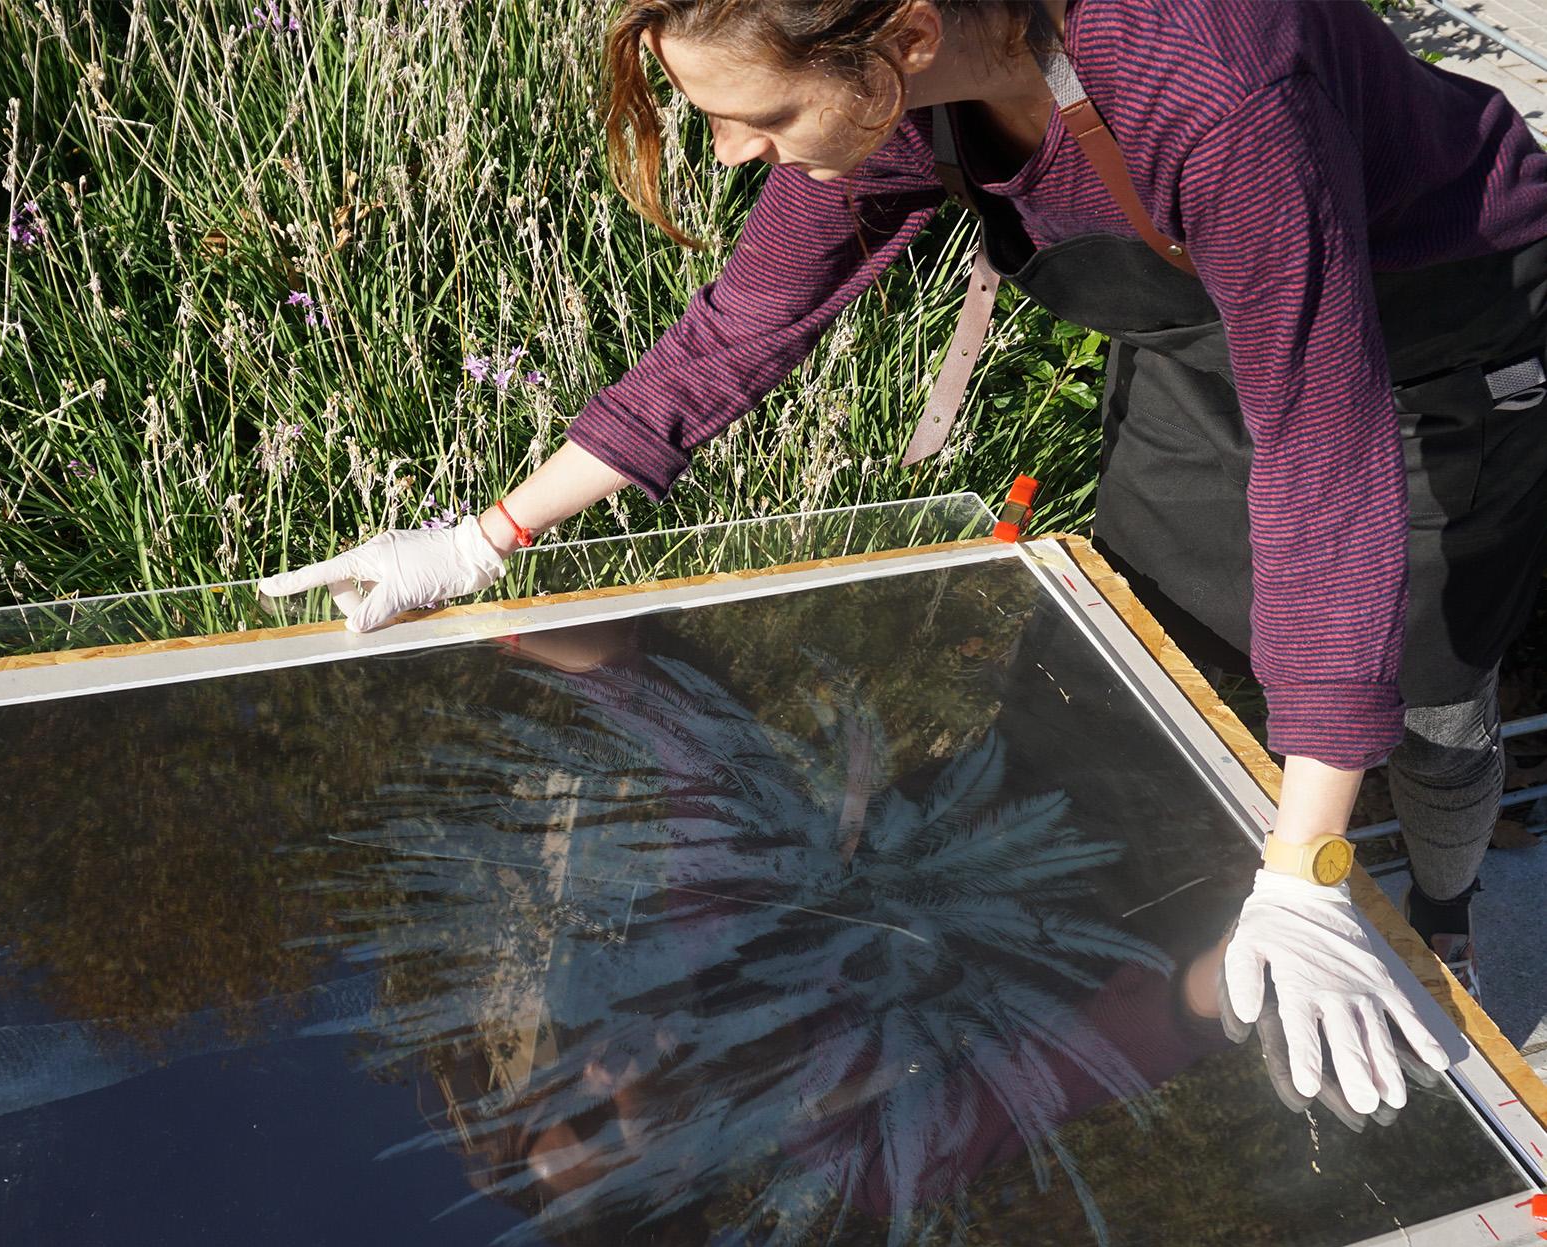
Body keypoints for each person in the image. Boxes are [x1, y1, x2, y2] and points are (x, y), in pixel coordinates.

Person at [261, 0, 1547, 1112]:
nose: (732, 151)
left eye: (758, 116)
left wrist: (1310, 869)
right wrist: (483, 539)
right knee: (1157, 657)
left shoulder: (1208, 82)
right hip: (1207, 334)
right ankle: (1231, 919)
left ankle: (1440, 917)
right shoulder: (900, 78)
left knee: (1423, 696)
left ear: (908, 37)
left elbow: (1324, 455)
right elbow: (747, 322)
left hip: (1444, 342)